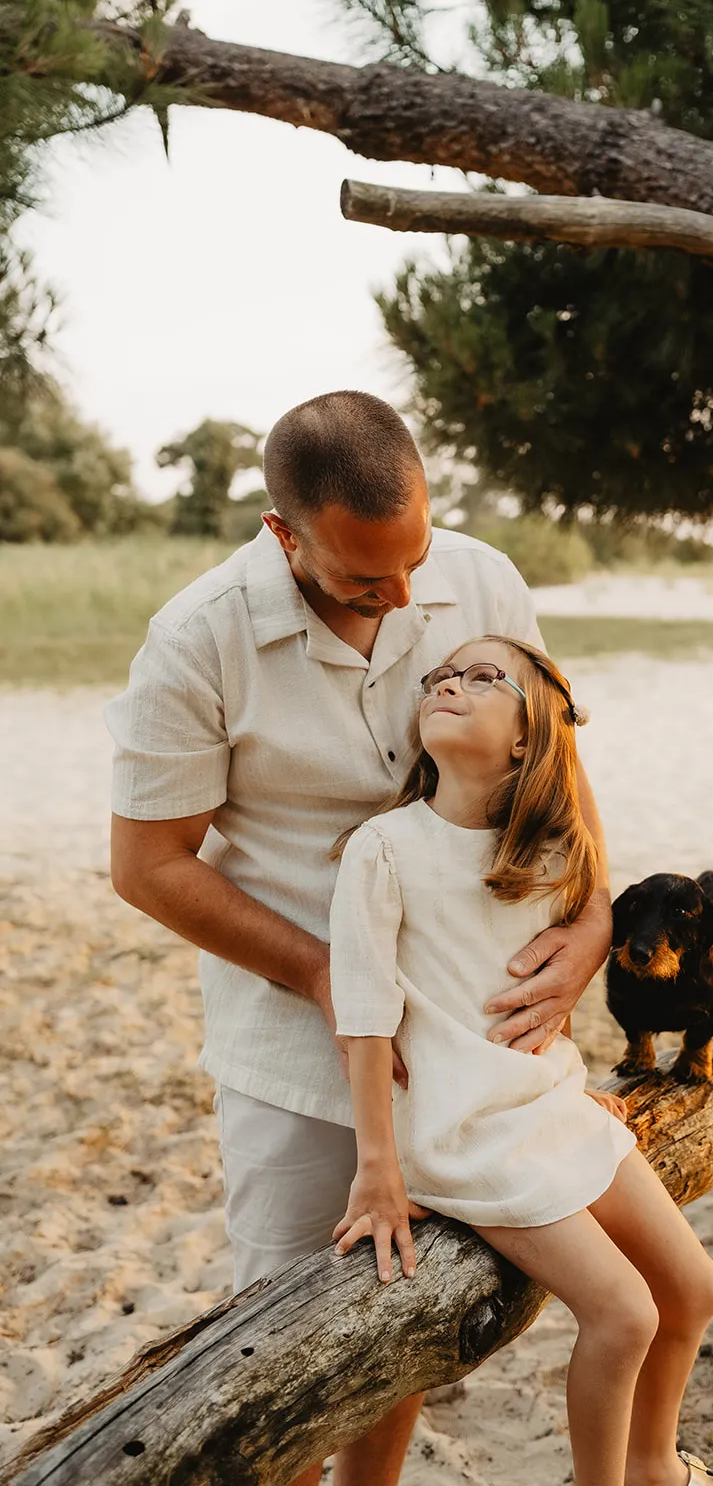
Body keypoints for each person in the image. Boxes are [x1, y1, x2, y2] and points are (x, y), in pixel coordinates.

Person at [105, 391, 616, 1486]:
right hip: (295, 1047)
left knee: (402, 1328)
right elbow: (146, 863)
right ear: (283, 534)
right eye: (362, 580)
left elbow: (554, 770)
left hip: (476, 1045)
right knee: (287, 1347)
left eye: (412, 561)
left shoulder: (479, 578)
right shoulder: (197, 641)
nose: (401, 597)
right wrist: (329, 976)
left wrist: (592, 920)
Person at [328, 634, 713, 1486]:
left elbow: (536, 1003)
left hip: (548, 1105)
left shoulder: (549, 856)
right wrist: (378, 1170)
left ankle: (654, 1466)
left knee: (695, 1290)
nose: (450, 684)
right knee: (623, 1313)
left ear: (527, 738)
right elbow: (364, 1017)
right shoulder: (384, 848)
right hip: (464, 1132)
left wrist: (575, 1086)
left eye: (484, 678)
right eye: (441, 677)